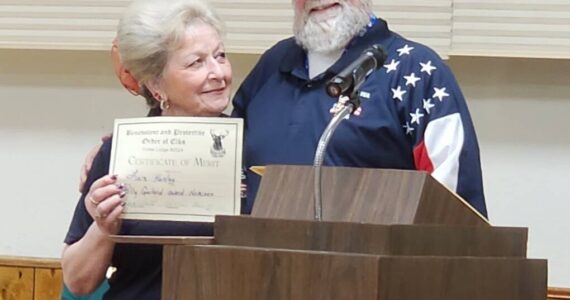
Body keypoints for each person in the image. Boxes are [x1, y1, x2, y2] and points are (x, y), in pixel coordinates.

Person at [232, 0, 488, 217]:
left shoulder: (415, 71)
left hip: (378, 270)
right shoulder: (272, 65)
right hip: (264, 267)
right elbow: (230, 174)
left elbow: (452, 206)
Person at [62, 0, 232, 298]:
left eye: (220, 56)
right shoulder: (120, 153)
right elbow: (78, 282)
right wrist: (103, 228)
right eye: (197, 62)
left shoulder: (253, 147)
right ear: (156, 85)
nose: (218, 72)